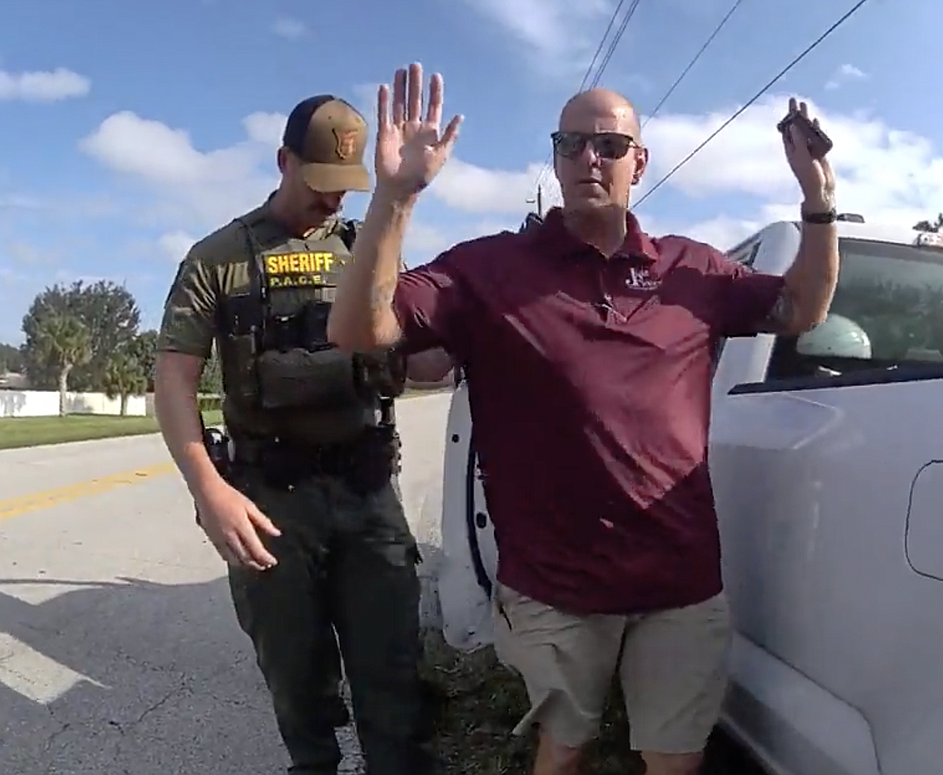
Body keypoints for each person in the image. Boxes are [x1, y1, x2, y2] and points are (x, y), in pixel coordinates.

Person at [327, 63, 839, 775]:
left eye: (608, 144)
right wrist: (395, 198)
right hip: (555, 588)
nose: (589, 159)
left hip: (681, 585)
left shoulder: (694, 270)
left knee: (675, 761)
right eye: (571, 144)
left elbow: (801, 308)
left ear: (640, 160)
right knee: (563, 751)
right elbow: (358, 329)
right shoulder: (490, 270)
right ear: (555, 157)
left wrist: (818, 203)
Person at [153, 93, 439, 775]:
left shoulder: (366, 249)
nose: (334, 201)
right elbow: (172, 381)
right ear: (283, 161)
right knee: (295, 679)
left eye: (348, 188)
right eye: (320, 183)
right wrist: (207, 487)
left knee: (394, 677)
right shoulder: (219, 257)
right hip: (269, 500)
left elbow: (421, 357)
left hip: (366, 491)